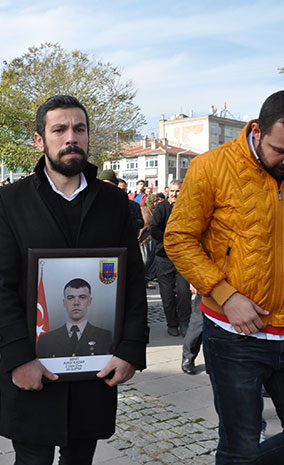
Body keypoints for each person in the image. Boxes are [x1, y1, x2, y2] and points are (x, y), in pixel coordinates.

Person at [0, 95, 148, 464]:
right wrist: (18, 358)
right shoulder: (11, 201)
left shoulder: (113, 202)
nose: (70, 137)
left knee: (81, 458)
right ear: (40, 140)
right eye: (59, 129)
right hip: (34, 368)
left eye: (79, 129)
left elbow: (133, 282)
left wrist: (130, 351)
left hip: (95, 367)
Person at [164, 90, 284, 464]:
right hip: (234, 338)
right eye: (280, 149)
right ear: (258, 131)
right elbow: (178, 238)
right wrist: (226, 294)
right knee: (241, 446)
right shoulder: (212, 167)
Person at [151, 180, 190, 336]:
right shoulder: (161, 208)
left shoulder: (188, 208)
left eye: (178, 191)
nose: (175, 194)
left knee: (183, 292)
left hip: (183, 257)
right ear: (168, 191)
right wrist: (169, 239)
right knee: (167, 295)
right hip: (163, 257)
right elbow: (154, 228)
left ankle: (184, 322)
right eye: (172, 191)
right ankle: (171, 323)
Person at [36, 278, 113, 358]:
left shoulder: (105, 337)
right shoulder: (46, 340)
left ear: (90, 301)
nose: (76, 303)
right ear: (64, 302)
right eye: (70, 298)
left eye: (82, 297)